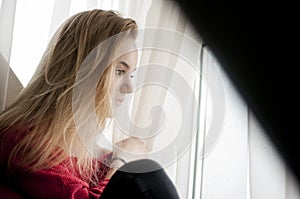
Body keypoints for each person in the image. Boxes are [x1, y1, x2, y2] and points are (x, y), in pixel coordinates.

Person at [0, 9, 180, 198]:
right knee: (146, 174)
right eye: (119, 71)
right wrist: (123, 161)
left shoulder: (97, 162)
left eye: (131, 74)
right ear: (84, 71)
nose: (129, 88)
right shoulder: (21, 142)